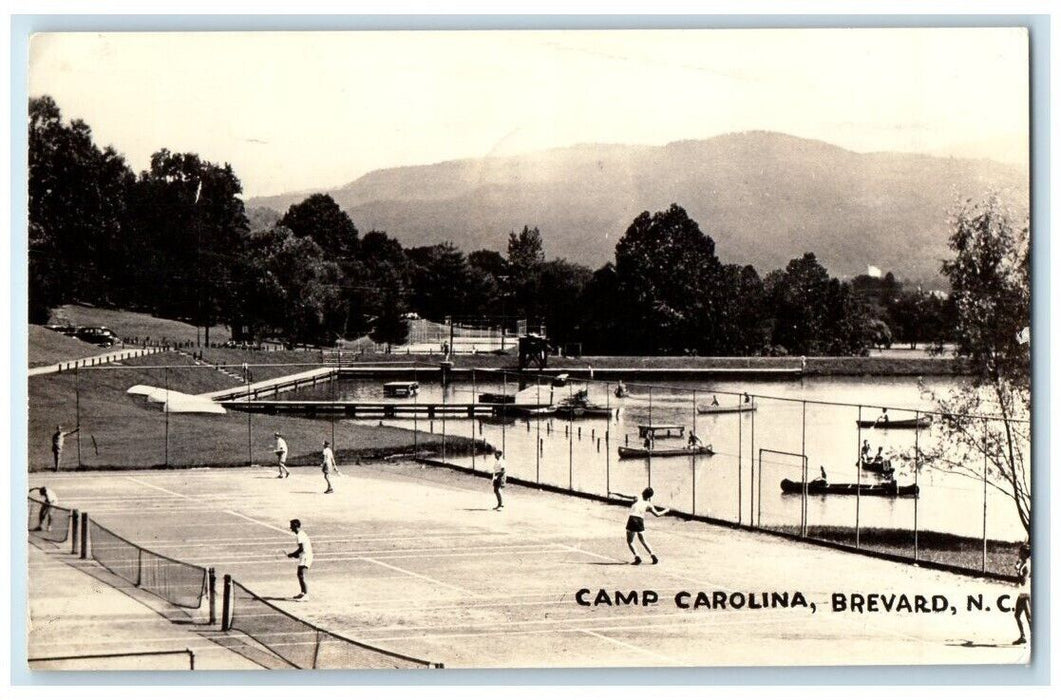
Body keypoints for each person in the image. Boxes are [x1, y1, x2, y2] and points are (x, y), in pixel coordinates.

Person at [608, 488, 668, 565]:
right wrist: (666, 510)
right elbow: (657, 514)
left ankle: (637, 557)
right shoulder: (649, 504)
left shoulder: (637, 497)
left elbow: (623, 495)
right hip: (640, 520)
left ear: (643, 492)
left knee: (630, 541)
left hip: (632, 519)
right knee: (643, 540)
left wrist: (613, 493)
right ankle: (653, 555)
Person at [287, 519, 313, 601]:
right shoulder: (300, 534)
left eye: (291, 526)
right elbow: (301, 549)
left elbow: (301, 549)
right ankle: (302, 593)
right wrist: (296, 555)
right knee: (299, 574)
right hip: (304, 556)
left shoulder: (300, 535)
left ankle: (306, 595)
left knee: (302, 575)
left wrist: (292, 554)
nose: (290, 528)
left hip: (306, 556)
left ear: (295, 526)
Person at [1012, 543, 1031, 645]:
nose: (1019, 553)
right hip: (1023, 594)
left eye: (1020, 552)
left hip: (1026, 594)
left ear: (1024, 553)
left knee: (1029, 618)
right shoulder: (1024, 563)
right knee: (1017, 615)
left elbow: (1023, 581)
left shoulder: (1027, 565)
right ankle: (1023, 636)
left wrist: (1018, 571)